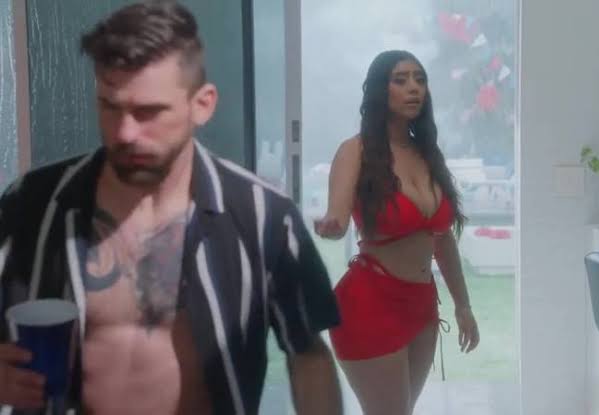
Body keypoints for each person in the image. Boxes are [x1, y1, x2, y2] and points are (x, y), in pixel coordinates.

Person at [0, 2, 342, 414]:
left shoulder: (263, 216)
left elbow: (308, 353)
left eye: (148, 112)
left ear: (202, 104)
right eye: (110, 106)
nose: (125, 132)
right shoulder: (33, 204)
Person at [314, 50, 480, 415]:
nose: (413, 88)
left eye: (420, 80)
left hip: (421, 306)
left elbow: (442, 239)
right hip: (370, 302)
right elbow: (337, 218)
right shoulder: (355, 151)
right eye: (400, 80)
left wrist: (463, 305)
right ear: (380, 90)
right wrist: (331, 227)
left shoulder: (427, 154)